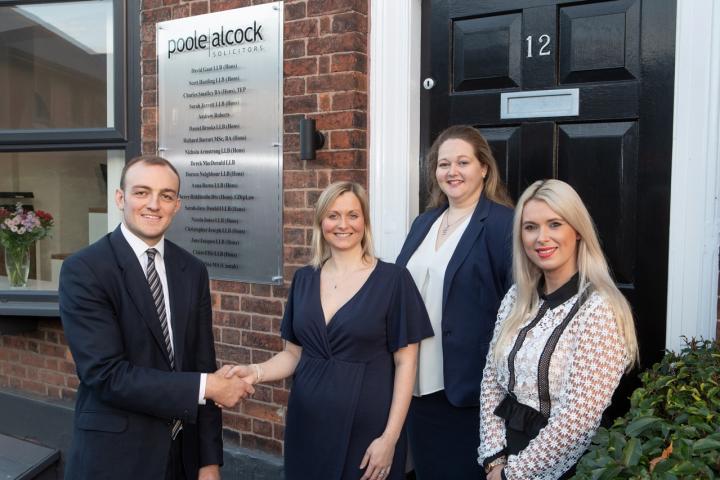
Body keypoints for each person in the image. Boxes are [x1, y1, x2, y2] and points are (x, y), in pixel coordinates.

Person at [59, 155, 255, 480]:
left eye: (166, 195)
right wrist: (209, 386)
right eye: (141, 192)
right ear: (120, 198)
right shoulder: (86, 270)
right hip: (116, 460)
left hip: (181, 458)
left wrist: (208, 462)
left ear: (177, 205)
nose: (154, 204)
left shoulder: (192, 270)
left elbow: (201, 363)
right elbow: (106, 375)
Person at [226, 181, 433, 480]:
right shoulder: (304, 279)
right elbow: (293, 355)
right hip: (307, 422)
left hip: (368, 430)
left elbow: (406, 363)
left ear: (365, 221)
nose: (343, 224)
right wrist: (254, 371)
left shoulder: (394, 280)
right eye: (333, 215)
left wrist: (390, 437)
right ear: (321, 222)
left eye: (353, 215)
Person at [478, 179, 639, 480]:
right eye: (530, 227)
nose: (542, 237)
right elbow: (491, 381)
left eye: (554, 224)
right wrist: (493, 458)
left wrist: (511, 474)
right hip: (503, 459)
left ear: (577, 230)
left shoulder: (600, 309)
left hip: (563, 466)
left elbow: (577, 420)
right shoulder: (516, 297)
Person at [395, 125, 514, 479]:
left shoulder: (502, 224)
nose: (452, 172)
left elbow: (517, 307)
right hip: (414, 383)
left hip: (466, 388)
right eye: (443, 164)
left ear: (484, 168)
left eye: (463, 162)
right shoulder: (424, 222)